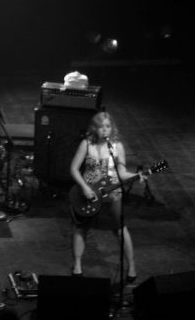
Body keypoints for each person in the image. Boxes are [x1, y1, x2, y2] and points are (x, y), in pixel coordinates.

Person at [69, 111, 145, 280]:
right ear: (94, 128)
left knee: (120, 228)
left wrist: (135, 176)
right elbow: (74, 169)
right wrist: (84, 187)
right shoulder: (86, 144)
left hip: (112, 192)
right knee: (80, 228)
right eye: (101, 126)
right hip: (89, 192)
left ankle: (131, 265)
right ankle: (77, 265)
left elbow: (122, 173)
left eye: (108, 126)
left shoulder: (117, 147)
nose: (105, 130)